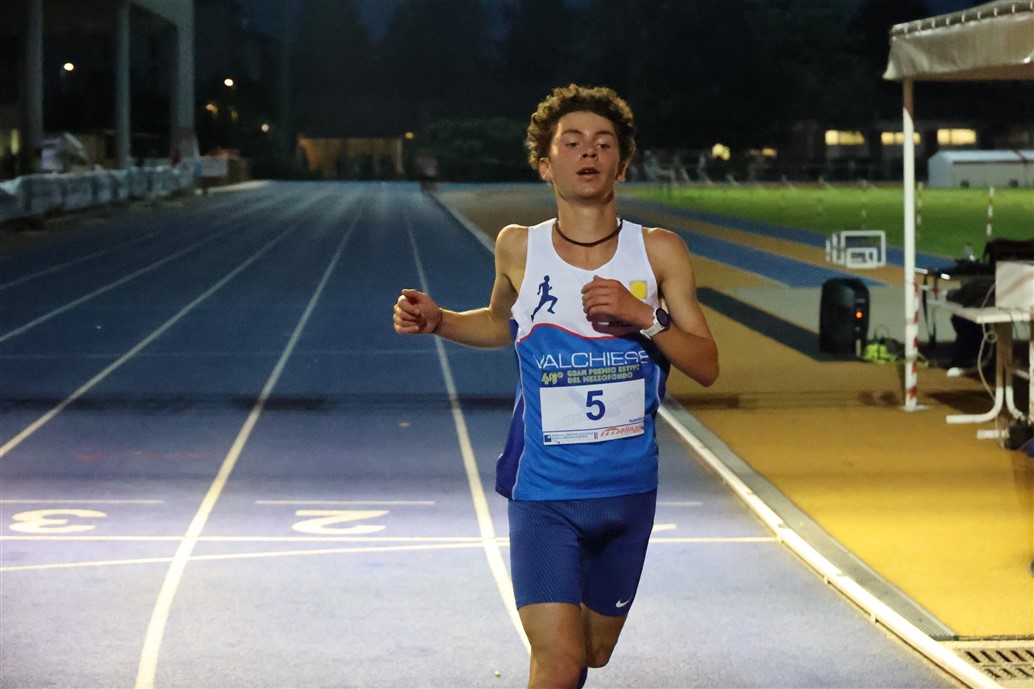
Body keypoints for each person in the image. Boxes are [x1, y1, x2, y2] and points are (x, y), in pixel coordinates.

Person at [393, 84, 719, 688]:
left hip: (628, 491)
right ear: (545, 164)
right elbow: (501, 323)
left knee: (593, 653)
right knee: (560, 663)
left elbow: (706, 364)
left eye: (603, 143)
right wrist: (440, 321)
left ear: (622, 164)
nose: (588, 152)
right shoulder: (518, 246)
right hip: (544, 492)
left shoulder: (659, 252)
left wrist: (643, 316)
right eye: (571, 143)